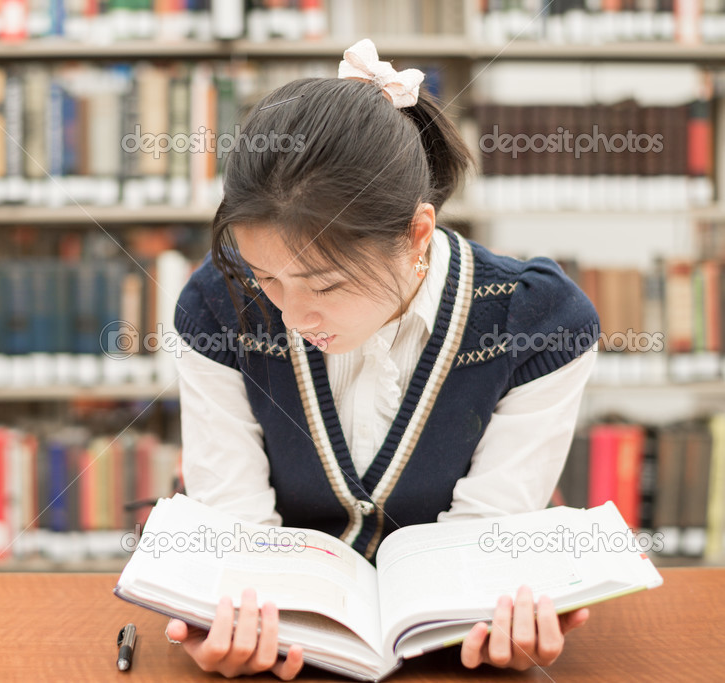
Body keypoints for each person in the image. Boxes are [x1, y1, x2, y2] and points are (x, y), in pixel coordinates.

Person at [166, 39, 598, 679]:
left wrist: (494, 611)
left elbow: (481, 540)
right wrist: (228, 617)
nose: (290, 316)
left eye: (326, 284)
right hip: (294, 653)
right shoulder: (216, 307)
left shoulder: (537, 323)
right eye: (267, 278)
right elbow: (239, 534)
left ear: (417, 233)